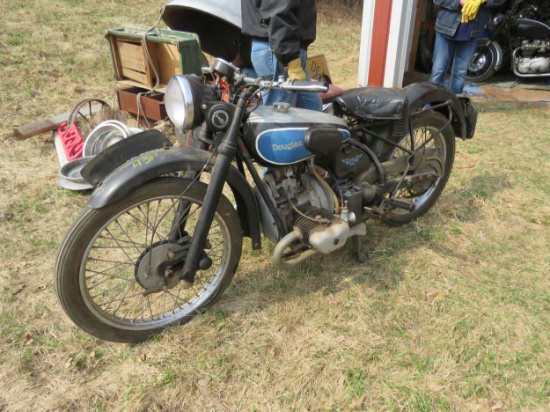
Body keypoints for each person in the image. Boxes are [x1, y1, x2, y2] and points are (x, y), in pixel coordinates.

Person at [240, 0, 323, 111]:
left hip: (277, 46)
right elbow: (278, 10)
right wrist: (291, 59)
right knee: (280, 119)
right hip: (280, 50)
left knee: (313, 109)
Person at [429, 0, 506, 94]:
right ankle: (431, 104)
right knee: (438, 70)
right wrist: (459, 2)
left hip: (472, 32)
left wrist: (483, 1)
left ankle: (454, 105)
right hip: (446, 28)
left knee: (460, 73)